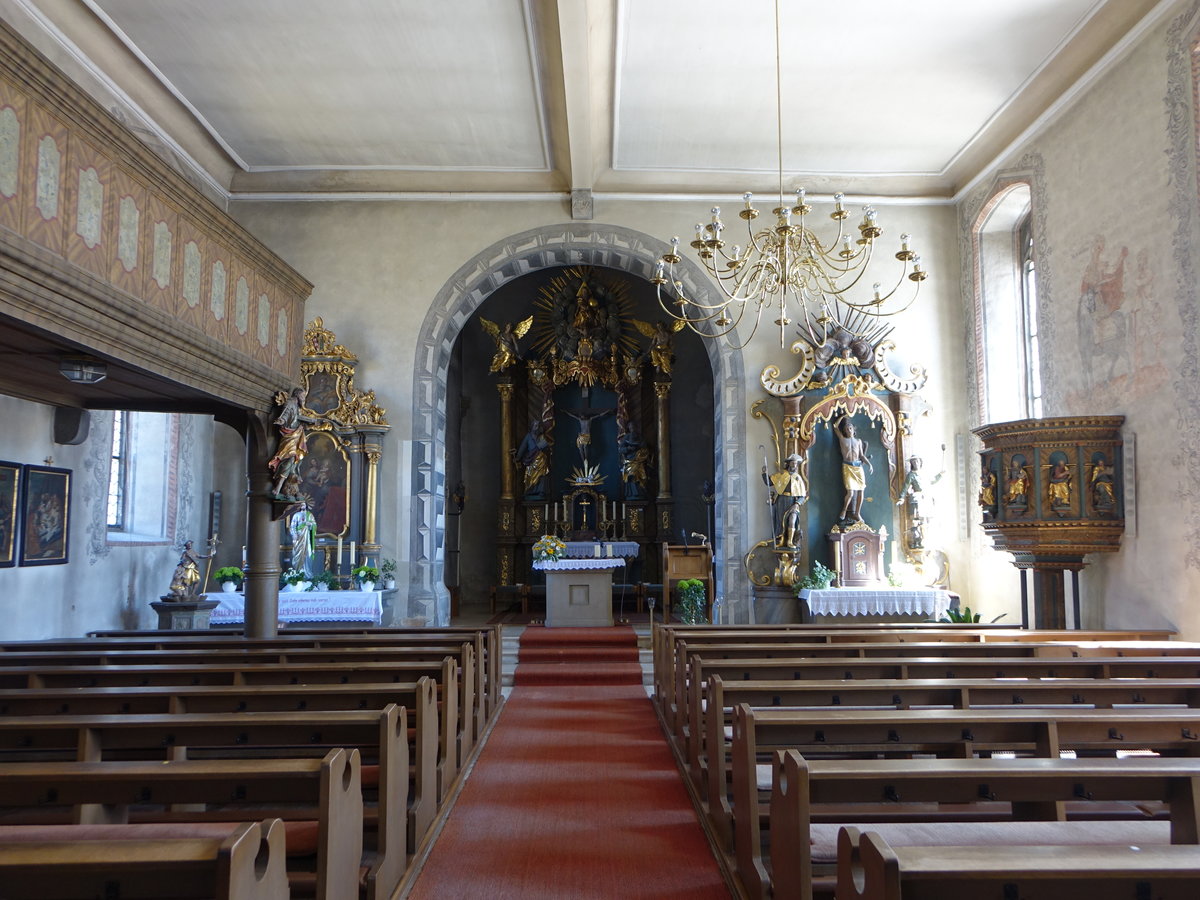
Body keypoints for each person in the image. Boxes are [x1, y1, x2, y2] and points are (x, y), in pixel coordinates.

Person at [269, 387, 308, 498]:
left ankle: (293, 485)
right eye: (303, 396)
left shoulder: (297, 406)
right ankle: (279, 486)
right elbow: (285, 414)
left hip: (297, 433)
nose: (304, 398)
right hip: (289, 435)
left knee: (298, 458)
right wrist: (281, 420)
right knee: (289, 458)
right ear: (297, 395)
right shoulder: (290, 403)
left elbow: (295, 418)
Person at [836, 418, 873, 524]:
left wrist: (869, 464)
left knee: (861, 490)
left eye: (850, 428)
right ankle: (844, 510)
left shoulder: (858, 441)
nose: (849, 430)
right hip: (848, 466)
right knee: (851, 492)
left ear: (853, 429)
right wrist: (842, 416)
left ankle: (857, 513)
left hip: (858, 467)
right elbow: (835, 426)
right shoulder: (842, 439)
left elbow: (861, 455)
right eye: (847, 429)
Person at [513, 418, 551, 498]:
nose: (537, 427)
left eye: (538, 426)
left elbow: (546, 448)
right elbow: (523, 448)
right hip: (531, 460)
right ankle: (529, 490)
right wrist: (518, 457)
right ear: (532, 427)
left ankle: (541, 491)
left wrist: (545, 446)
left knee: (542, 476)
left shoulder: (541, 437)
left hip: (541, 460)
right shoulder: (528, 437)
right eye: (535, 426)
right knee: (530, 476)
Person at [289, 503, 317, 576]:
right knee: (298, 554)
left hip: (307, 538)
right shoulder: (296, 515)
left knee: (308, 553)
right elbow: (292, 526)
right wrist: (294, 534)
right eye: (301, 505)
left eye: (304, 505)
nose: (303, 506)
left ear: (306, 506)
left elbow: (314, 525)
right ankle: (298, 573)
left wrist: (310, 525)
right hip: (299, 537)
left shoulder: (310, 515)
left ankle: (307, 574)